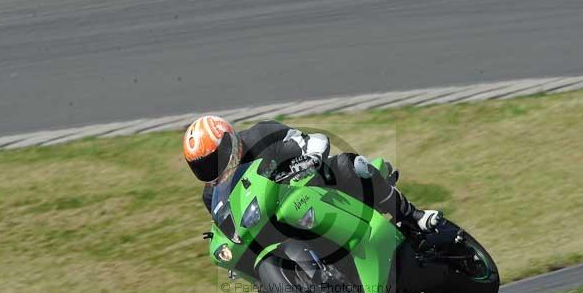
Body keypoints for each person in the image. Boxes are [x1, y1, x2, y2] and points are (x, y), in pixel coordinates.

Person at [182, 115, 442, 232]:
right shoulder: (211, 195)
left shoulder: (261, 135)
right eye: (202, 166)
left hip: (311, 185)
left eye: (215, 159)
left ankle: (412, 215)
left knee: (350, 165)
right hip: (273, 222)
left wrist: (312, 157)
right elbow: (229, 228)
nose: (212, 169)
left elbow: (310, 140)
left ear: (230, 140)